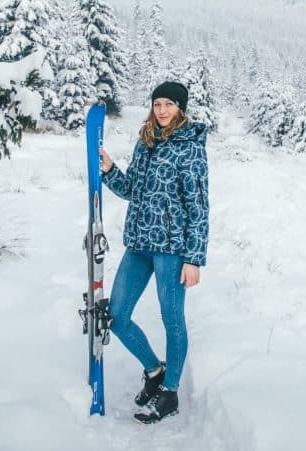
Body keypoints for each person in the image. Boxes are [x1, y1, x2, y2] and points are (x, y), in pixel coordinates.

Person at [98, 81, 209, 424]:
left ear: (180, 108)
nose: (162, 110)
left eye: (169, 105)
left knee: (171, 318)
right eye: (158, 103)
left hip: (173, 249)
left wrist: (193, 258)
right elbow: (132, 189)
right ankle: (154, 370)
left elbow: (199, 206)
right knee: (116, 314)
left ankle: (171, 392)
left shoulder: (189, 147)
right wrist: (109, 170)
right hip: (139, 244)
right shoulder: (145, 141)